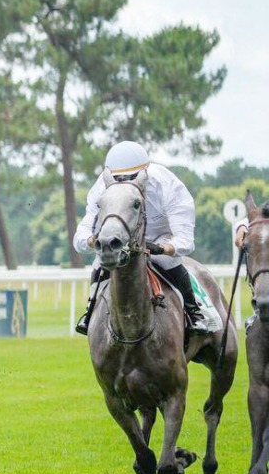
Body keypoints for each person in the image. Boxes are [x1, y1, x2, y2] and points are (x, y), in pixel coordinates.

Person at [72, 140, 206, 336]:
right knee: (100, 261)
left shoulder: (167, 185)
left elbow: (185, 240)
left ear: (145, 172)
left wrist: (162, 248)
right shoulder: (102, 187)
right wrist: (95, 240)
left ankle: (195, 313)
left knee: (167, 260)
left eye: (131, 178)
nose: (124, 184)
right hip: (122, 238)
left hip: (161, 238)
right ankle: (90, 310)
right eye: (118, 179)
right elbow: (81, 236)